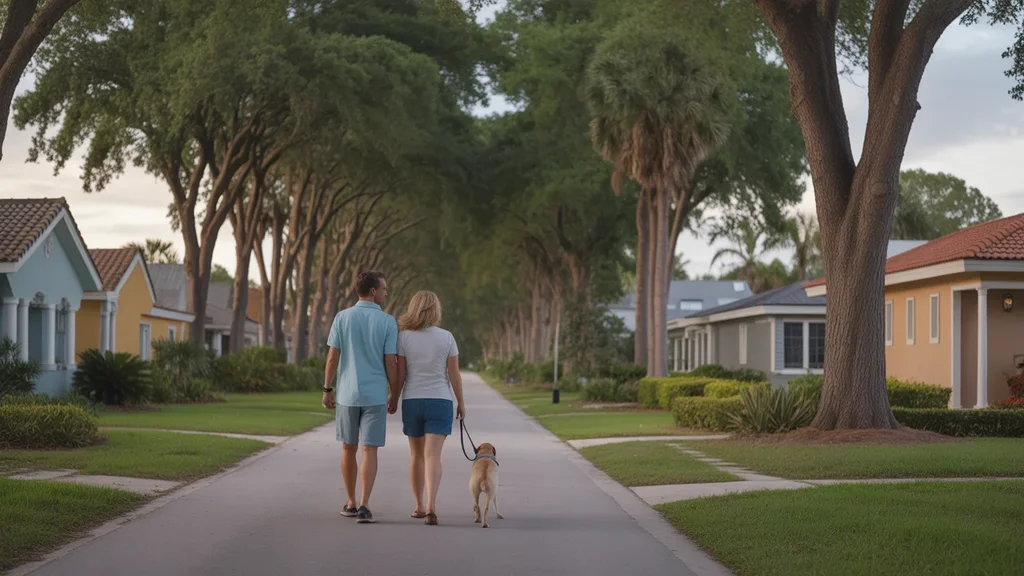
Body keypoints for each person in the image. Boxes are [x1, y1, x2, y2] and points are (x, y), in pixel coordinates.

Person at [322, 271, 399, 525]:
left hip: (347, 394)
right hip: (375, 395)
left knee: (348, 447)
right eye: (384, 288)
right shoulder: (388, 322)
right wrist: (394, 392)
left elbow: (333, 357)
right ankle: (365, 505)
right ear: (373, 291)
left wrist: (327, 388)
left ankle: (351, 502)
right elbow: (390, 361)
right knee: (369, 449)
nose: (386, 293)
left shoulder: (342, 318)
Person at [391, 290, 465, 526]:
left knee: (416, 455)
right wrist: (461, 402)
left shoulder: (403, 337)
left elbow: (401, 374)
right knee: (433, 455)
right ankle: (432, 506)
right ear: (436, 309)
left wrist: (394, 398)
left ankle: (419, 506)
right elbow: (454, 374)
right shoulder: (447, 337)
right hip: (440, 400)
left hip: (412, 400)